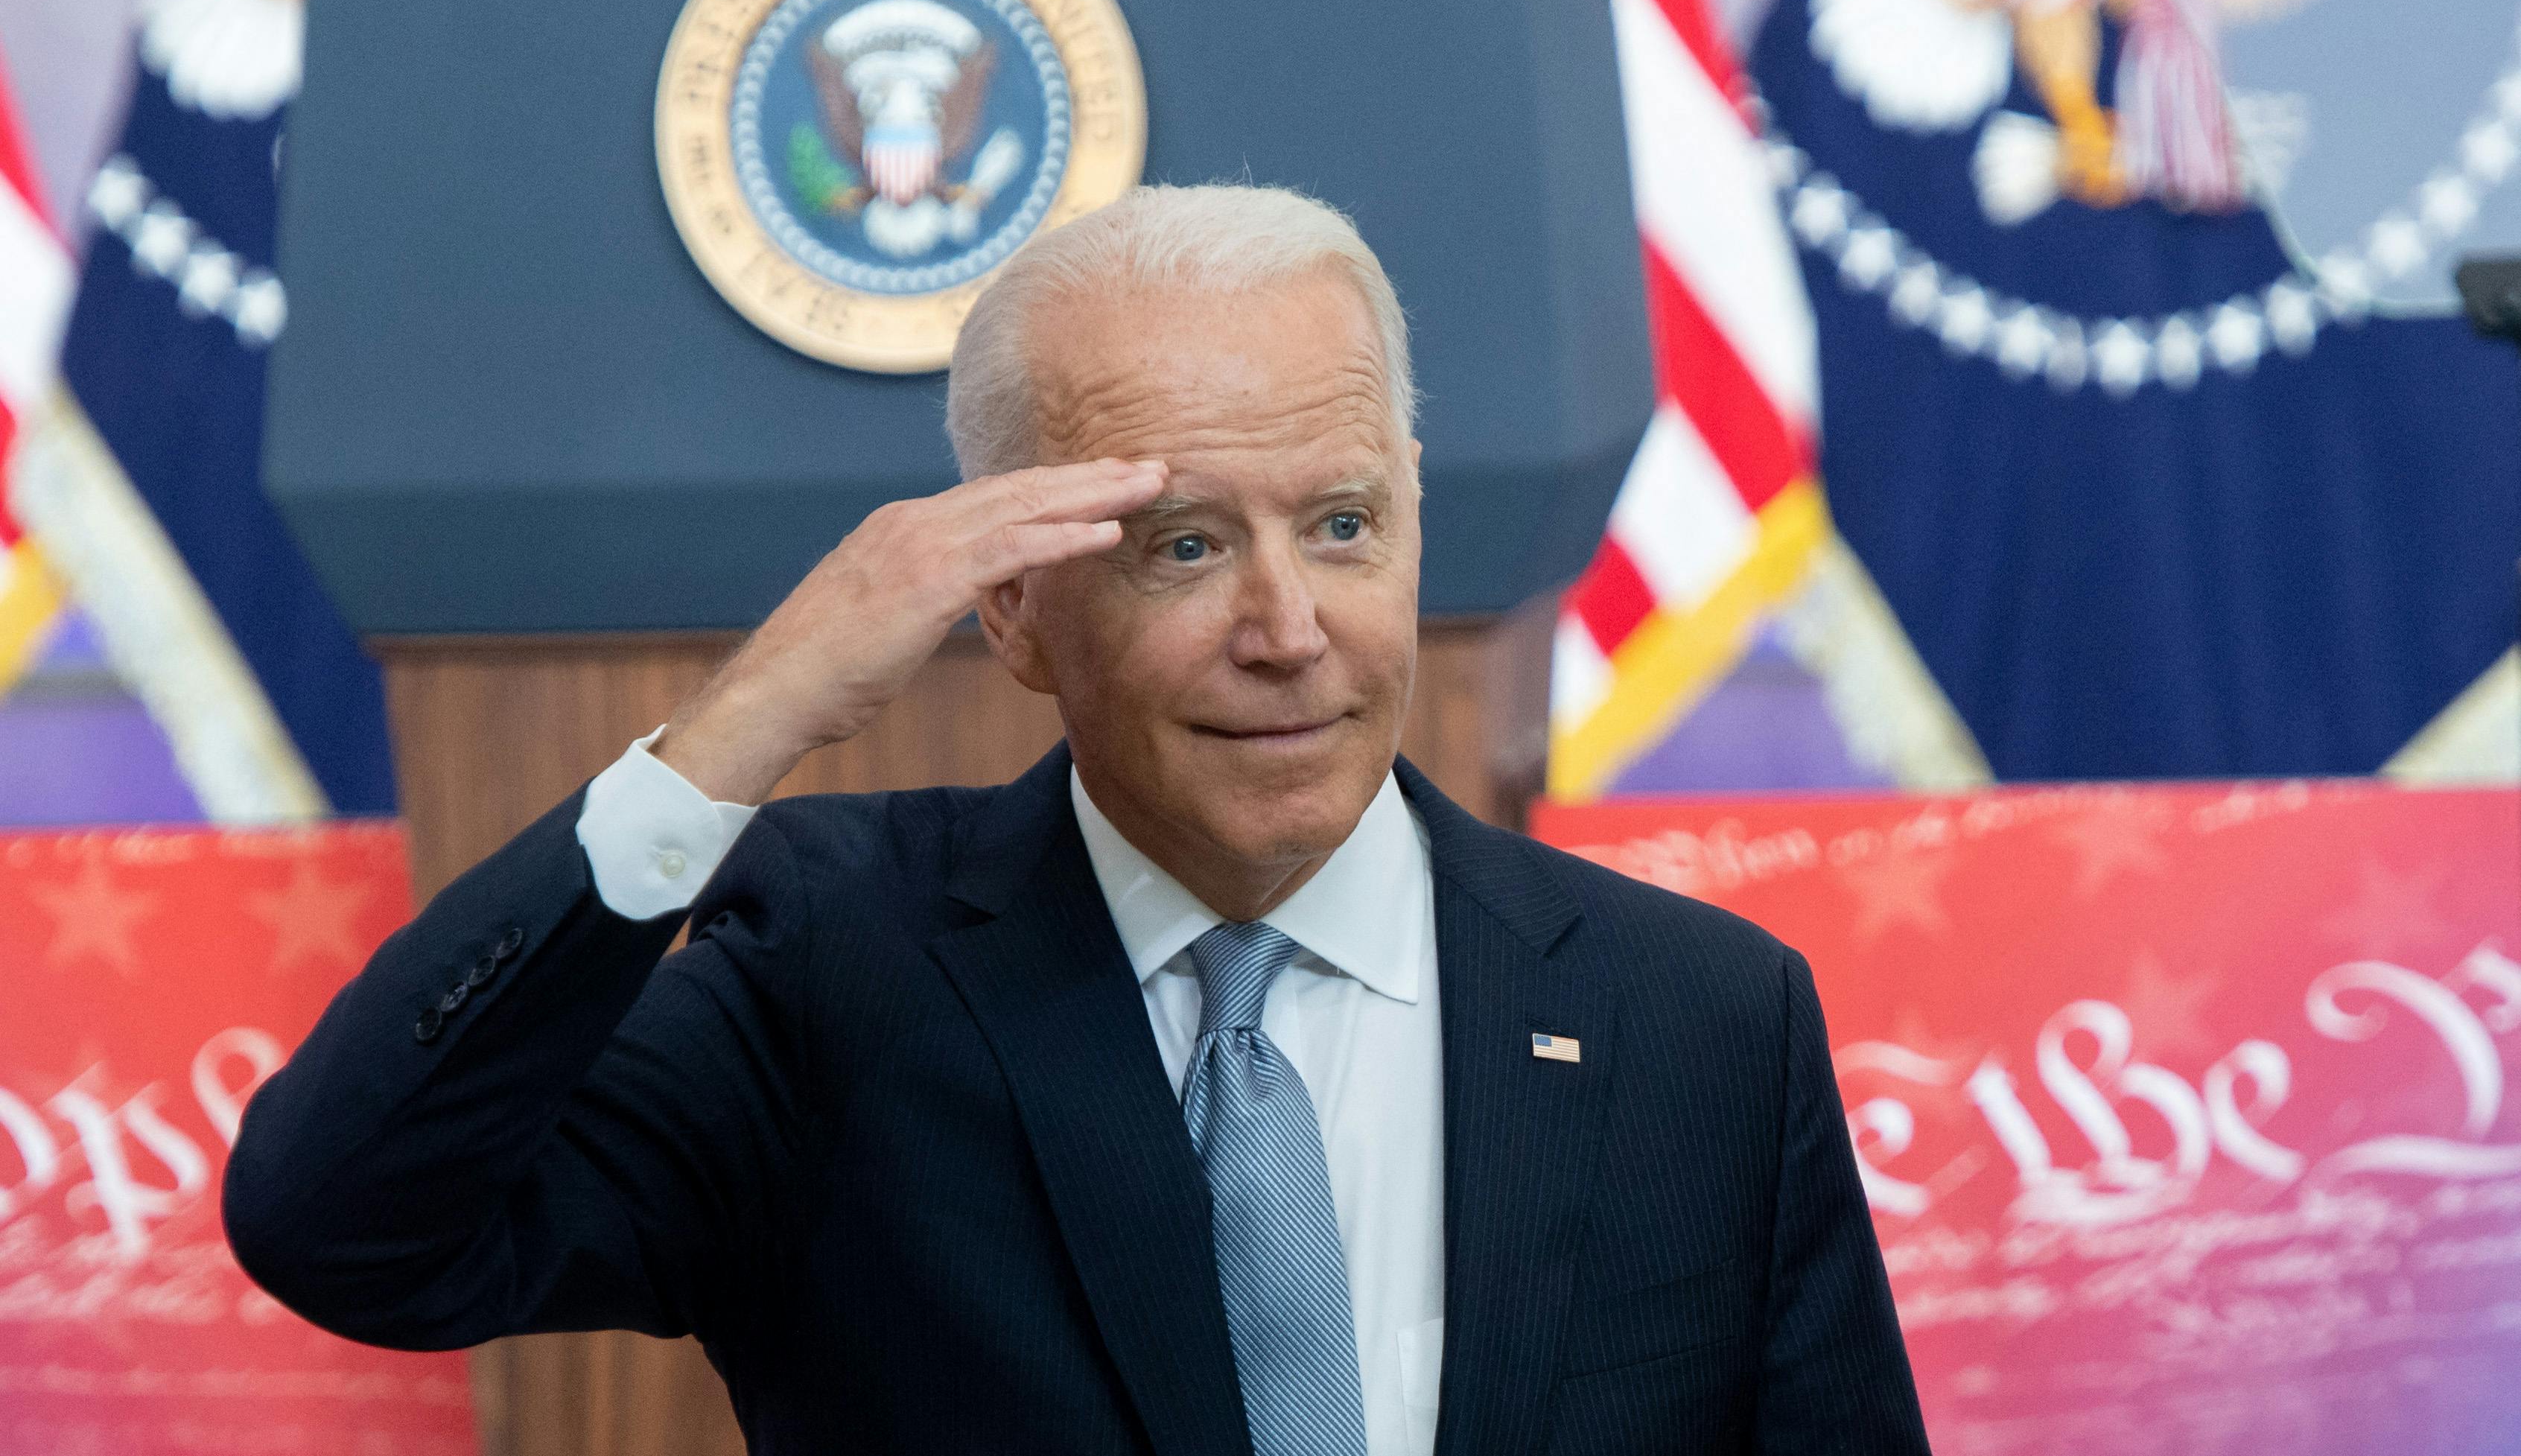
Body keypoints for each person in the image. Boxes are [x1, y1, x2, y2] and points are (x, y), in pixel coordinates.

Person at [223, 184, 1929, 1456]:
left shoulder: (1701, 1017)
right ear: (1016, 610)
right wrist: (736, 732)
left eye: (1342, 524)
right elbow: (349, 1229)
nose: (1287, 629)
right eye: (1183, 545)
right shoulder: (835, 972)